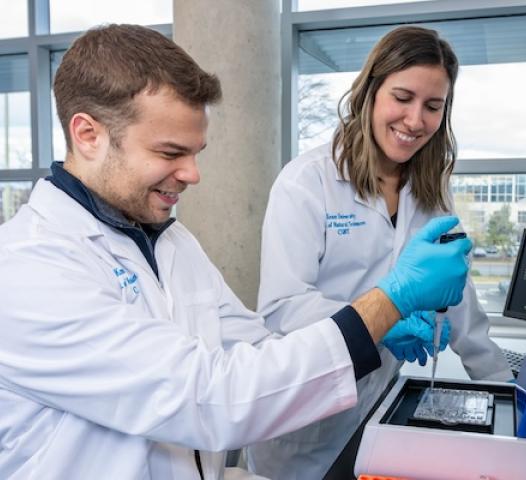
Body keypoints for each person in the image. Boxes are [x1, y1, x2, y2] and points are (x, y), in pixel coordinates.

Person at [0, 25, 472, 480]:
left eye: (195, 152)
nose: (192, 174)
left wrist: (378, 328)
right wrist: (389, 302)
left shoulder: (170, 242)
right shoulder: (28, 270)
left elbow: (260, 350)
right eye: (170, 153)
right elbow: (209, 397)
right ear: (87, 135)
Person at [246, 26, 512, 479]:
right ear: (370, 92)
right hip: (308, 415)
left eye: (433, 106)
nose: (415, 120)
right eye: (402, 98)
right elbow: (282, 308)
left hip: (381, 407)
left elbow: (460, 298)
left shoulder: (432, 193)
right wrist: (382, 321)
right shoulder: (308, 181)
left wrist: (505, 390)